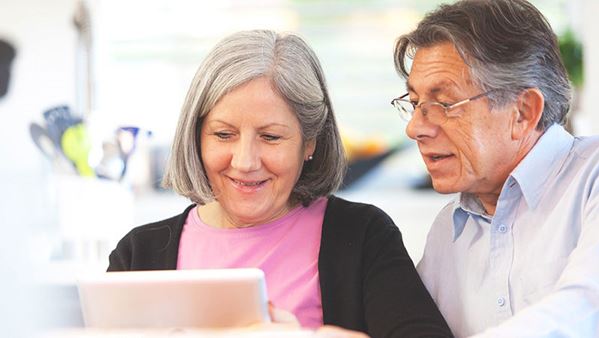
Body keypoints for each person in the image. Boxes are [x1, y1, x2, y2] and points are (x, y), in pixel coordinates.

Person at [108, 30, 452, 338]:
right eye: (223, 134)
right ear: (197, 136)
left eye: (270, 137)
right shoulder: (138, 254)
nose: (244, 162)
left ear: (310, 142)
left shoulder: (361, 235)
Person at [390, 0, 599, 337]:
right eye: (415, 104)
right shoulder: (449, 230)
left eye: (443, 104)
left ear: (523, 112)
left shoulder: (593, 178)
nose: (415, 128)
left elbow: (586, 310)